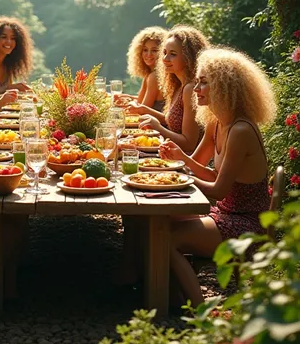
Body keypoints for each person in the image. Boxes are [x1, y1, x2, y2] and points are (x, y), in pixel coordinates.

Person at [160, 47, 276, 307]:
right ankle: (171, 298)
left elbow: (218, 189)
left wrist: (183, 175)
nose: (196, 88)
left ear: (224, 87)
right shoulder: (217, 122)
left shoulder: (241, 130)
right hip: (223, 213)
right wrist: (180, 158)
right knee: (158, 221)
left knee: (165, 240)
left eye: (204, 82)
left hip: (245, 225)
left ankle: (201, 311)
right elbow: (204, 169)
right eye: (198, 81)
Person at [129, 25, 209, 154]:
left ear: (189, 58)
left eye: (173, 54)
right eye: (164, 53)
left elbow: (189, 144)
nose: (165, 59)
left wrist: (159, 128)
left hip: (185, 164)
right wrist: (145, 111)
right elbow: (171, 120)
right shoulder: (177, 85)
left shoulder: (190, 89)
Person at [0, 16, 34, 108]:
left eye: (13, 38)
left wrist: (13, 88)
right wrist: (13, 97)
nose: (9, 42)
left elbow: (0, 93)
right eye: (4, 37)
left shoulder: (8, 66)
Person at [116, 26, 167, 109]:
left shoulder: (154, 77)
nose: (148, 54)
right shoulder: (150, 74)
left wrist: (128, 103)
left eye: (154, 50)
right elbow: (141, 102)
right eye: (145, 50)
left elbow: (142, 110)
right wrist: (130, 98)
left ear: (163, 52)